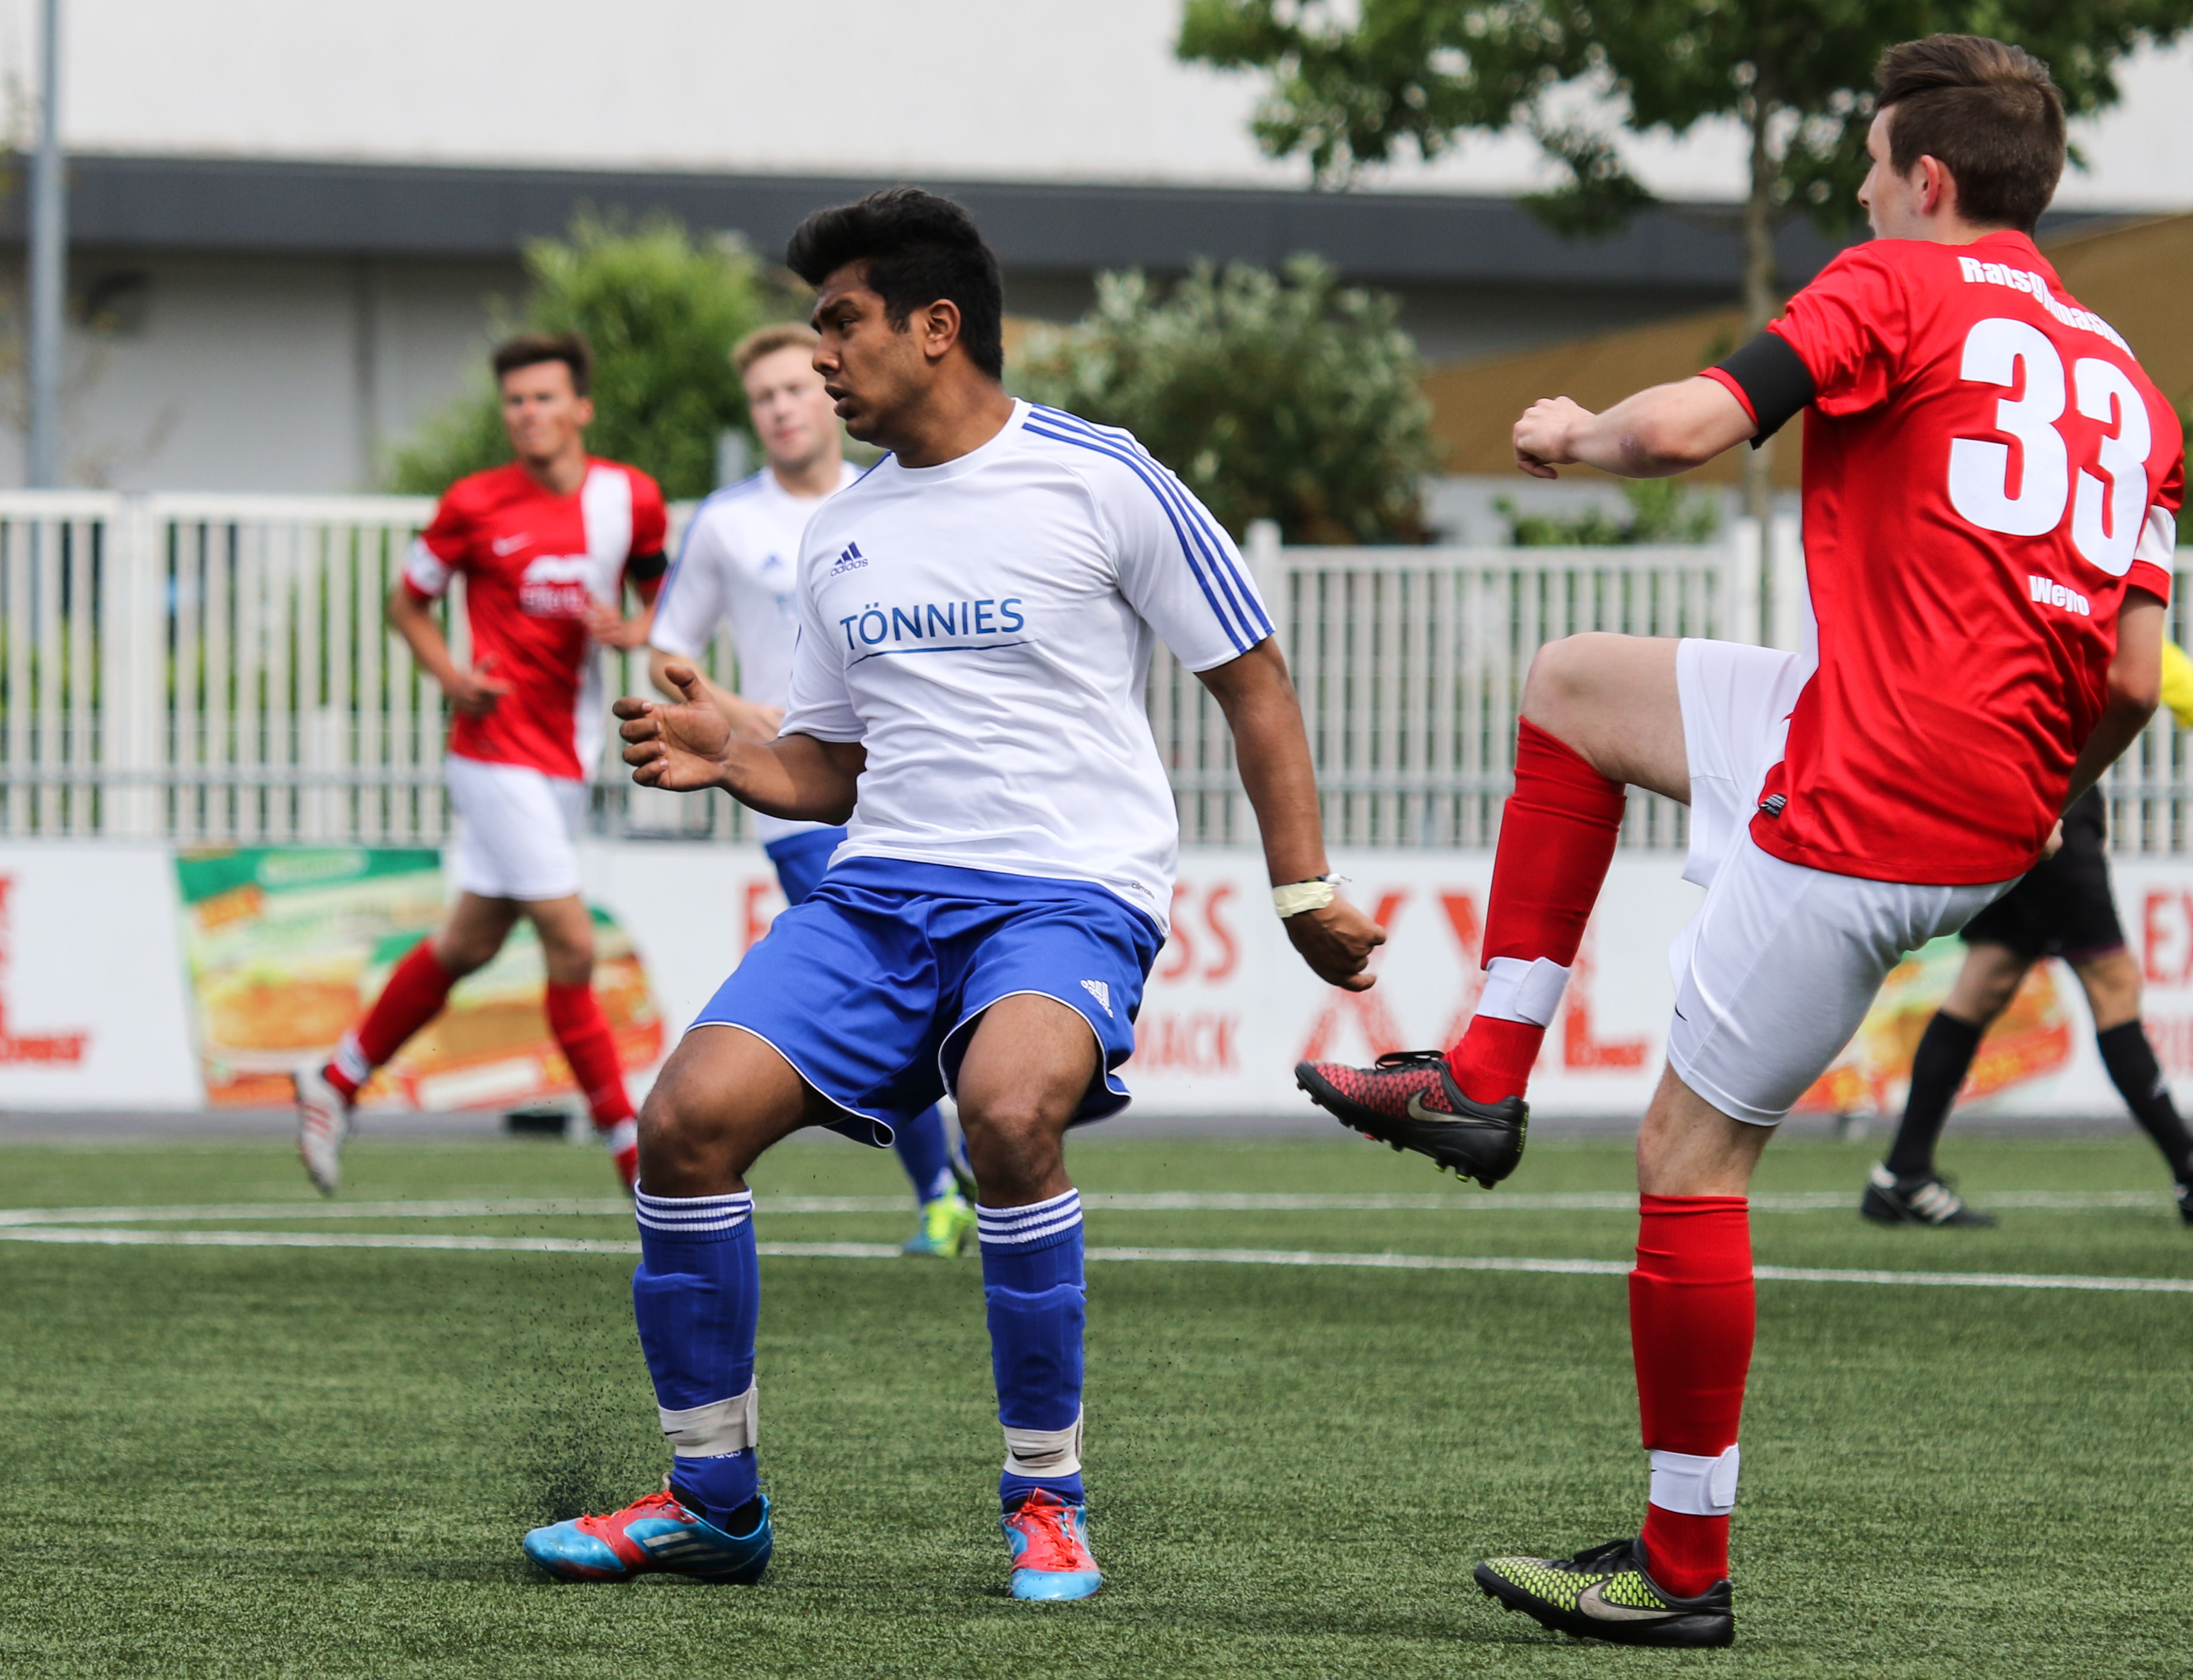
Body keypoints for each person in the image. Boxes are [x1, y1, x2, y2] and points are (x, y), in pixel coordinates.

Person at [1294, 36, 2175, 1647]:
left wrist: (1571, 433)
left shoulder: (1892, 281)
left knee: (1687, 1162)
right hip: (1977, 788)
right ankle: (1480, 1075)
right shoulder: (2128, 381)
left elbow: (1690, 428)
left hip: (1872, 797)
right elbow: (2125, 678)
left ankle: (1681, 1571)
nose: (1857, 191)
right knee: (1572, 687)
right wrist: (2050, 788)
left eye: (1867, 165)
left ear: (1925, 177)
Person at [518, 188, 1382, 1599]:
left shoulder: (1100, 476)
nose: (818, 358)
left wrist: (1303, 892)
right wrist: (729, 754)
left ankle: (1046, 1496)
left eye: (840, 324)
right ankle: (710, 1501)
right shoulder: (840, 533)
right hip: (881, 899)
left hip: (1065, 896)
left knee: (1007, 1111)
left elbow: (1253, 677)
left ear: (936, 326)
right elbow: (833, 766)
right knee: (680, 1126)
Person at [293, 332, 668, 1196]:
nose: (528, 413)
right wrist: (451, 676)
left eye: (545, 397)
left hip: (568, 755)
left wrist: (639, 631)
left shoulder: (630, 498)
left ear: (581, 408)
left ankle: (336, 1079)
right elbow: (405, 603)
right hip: (492, 753)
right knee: (571, 941)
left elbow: (665, 593)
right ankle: (631, 1150)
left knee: (470, 941)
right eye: (515, 401)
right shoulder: (471, 503)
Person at [647, 321, 979, 1258]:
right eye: (763, 398)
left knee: (941, 983)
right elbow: (669, 648)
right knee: (888, 984)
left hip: (913, 784)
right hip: (798, 795)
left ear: (829, 389)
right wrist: (742, 716)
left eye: (795, 388)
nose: (782, 408)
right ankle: (942, 1190)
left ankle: (982, 1147)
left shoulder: (898, 492)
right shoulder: (727, 522)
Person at [1865, 640, 2193, 1227]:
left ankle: (1902, 1174)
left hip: (1988, 776)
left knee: (1987, 979)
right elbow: (2141, 665)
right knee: (2111, 981)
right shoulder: (2084, 577)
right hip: (2049, 786)